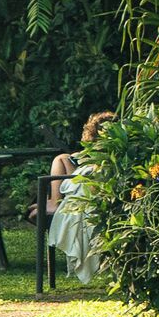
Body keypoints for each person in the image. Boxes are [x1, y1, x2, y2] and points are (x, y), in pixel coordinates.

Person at [45, 112, 107, 284]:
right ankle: (53, 202)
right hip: (84, 180)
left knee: (63, 160)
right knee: (62, 159)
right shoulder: (91, 153)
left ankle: (53, 203)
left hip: (93, 190)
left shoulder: (109, 155)